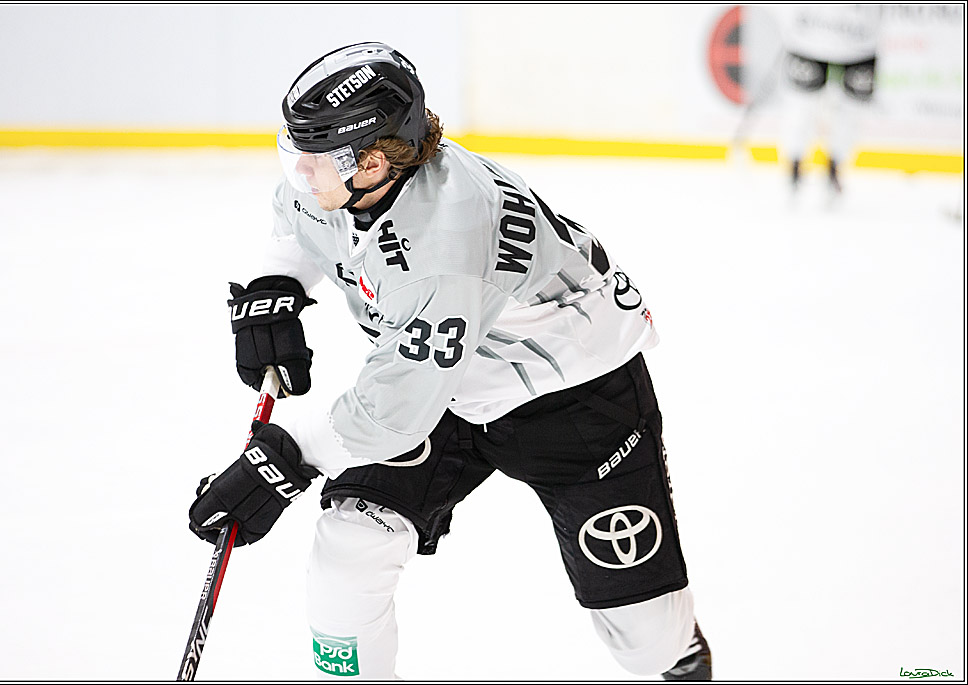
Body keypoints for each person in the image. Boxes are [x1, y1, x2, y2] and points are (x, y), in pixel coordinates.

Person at [187, 42, 711, 681]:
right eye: (294, 150)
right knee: (351, 544)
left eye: (315, 156)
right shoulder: (352, 180)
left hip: (573, 398)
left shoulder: (447, 241)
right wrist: (275, 286)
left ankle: (677, 654)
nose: (299, 169)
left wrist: (285, 458)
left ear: (372, 161)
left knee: (649, 642)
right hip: (445, 381)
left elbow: (392, 413)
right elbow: (301, 220)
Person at [776, 4, 882, 196]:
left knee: (851, 111)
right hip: (810, 39)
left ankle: (834, 166)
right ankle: (795, 165)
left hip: (859, 41)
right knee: (802, 106)